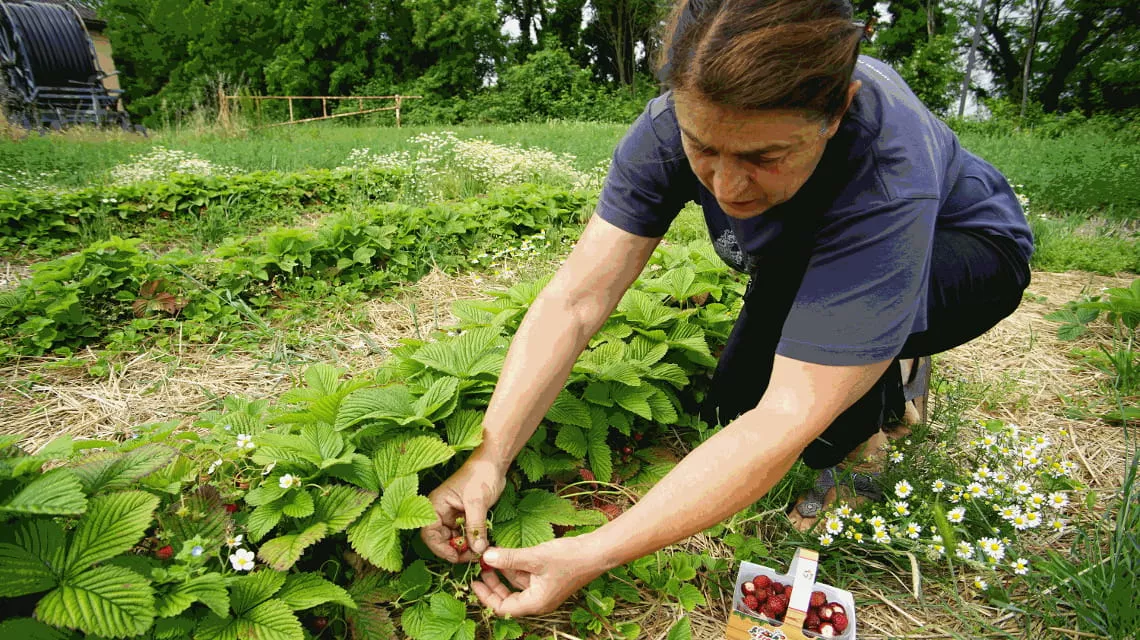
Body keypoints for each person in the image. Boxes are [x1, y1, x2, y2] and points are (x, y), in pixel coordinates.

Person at [420, 0, 1033, 618]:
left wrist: (598, 551)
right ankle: (875, 353)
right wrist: (486, 460)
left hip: (966, 254)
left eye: (764, 158)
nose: (728, 189)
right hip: (803, 258)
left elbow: (787, 413)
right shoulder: (666, 127)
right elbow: (576, 301)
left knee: (817, 431)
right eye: (703, 147)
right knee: (732, 407)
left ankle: (884, 391)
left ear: (837, 112)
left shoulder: (886, 172)